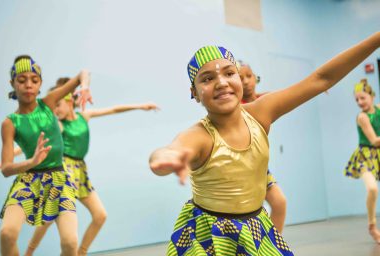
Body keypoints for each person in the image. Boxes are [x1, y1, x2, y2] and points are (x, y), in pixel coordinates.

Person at [150, 32, 380, 255]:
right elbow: (171, 149)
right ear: (195, 93)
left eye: (229, 73)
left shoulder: (261, 112)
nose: (221, 82)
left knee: (278, 202)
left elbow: (321, 79)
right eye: (208, 79)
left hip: (255, 226)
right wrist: (165, 157)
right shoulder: (200, 135)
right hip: (209, 236)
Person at [24, 77, 159, 256]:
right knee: (50, 215)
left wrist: (140, 106)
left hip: (80, 171)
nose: (55, 111)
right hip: (64, 169)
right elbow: (35, 142)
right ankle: (28, 252)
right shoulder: (58, 125)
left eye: (57, 106)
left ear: (69, 100)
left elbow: (113, 109)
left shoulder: (84, 116)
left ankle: (81, 252)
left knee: (100, 215)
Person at [0, 55, 92, 256]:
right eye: (21, 80)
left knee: (70, 242)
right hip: (27, 181)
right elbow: (6, 169)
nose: (28, 85)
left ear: (40, 83)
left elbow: (83, 73)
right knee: (7, 233)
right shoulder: (10, 123)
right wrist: (31, 162)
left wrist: (84, 86)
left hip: (60, 179)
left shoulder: (48, 103)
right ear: (13, 83)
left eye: (34, 80)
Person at [239, 62, 287, 233]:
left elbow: (288, 95)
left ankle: (273, 248)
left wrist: (316, 90)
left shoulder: (264, 100)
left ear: (256, 78)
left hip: (259, 166)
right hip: (238, 168)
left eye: (248, 76)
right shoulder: (235, 106)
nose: (245, 81)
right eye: (240, 77)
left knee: (279, 202)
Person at [345, 78, 380, 243]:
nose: (359, 102)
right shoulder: (362, 117)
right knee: (372, 189)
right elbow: (374, 141)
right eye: (356, 99)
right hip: (364, 157)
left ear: (372, 96)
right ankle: (372, 226)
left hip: (378, 155)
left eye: (362, 98)